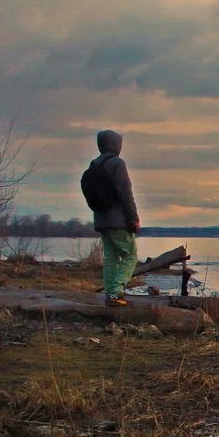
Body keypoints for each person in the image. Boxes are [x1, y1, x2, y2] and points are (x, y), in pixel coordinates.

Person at [80, 129, 140, 306]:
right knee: (130, 256)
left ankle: (109, 294)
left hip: (101, 220)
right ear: (117, 145)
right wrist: (133, 219)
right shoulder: (117, 163)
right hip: (118, 220)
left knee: (110, 259)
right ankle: (115, 293)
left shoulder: (94, 165)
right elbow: (125, 193)